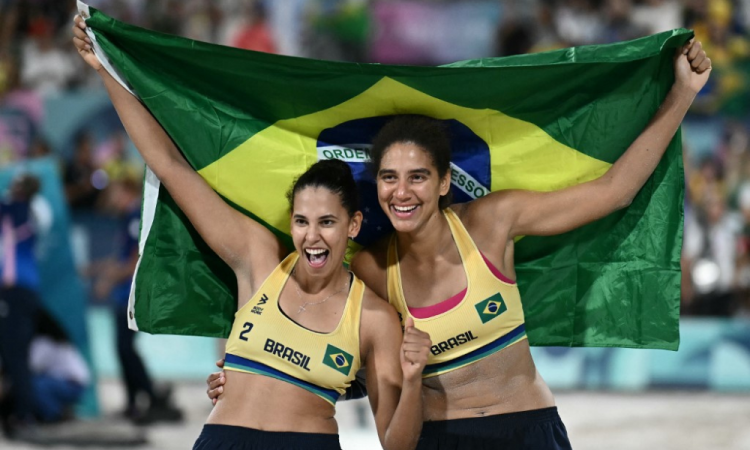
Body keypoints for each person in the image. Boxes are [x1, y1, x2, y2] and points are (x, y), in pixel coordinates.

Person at [209, 39, 712, 448]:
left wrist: (682, 95)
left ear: (446, 181)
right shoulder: (370, 269)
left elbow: (613, 192)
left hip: (527, 427)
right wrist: (251, 381)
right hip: (435, 438)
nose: (401, 192)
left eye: (417, 177)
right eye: (388, 177)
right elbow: (344, 357)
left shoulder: (493, 222)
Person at [73, 14, 429, 450]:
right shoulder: (260, 260)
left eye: (327, 222)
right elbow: (170, 165)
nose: (311, 236)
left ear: (353, 225)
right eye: (301, 221)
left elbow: (397, 443)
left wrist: (412, 383)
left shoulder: (373, 318)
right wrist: (107, 68)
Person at [90, 177, 183, 424]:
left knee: (125, 348)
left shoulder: (134, 217)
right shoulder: (127, 219)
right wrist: (96, 269)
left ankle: (148, 395)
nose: (112, 199)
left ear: (128, 191)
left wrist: (107, 279)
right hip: (125, 295)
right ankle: (134, 401)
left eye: (116, 193)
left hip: (131, 296)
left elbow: (134, 262)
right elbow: (122, 258)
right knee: (123, 349)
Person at [0, 174, 42, 440]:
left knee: (13, 356)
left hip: (14, 290)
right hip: (24, 290)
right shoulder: (33, 212)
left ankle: (23, 415)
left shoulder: (15, 209)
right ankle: (22, 413)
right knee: (17, 356)